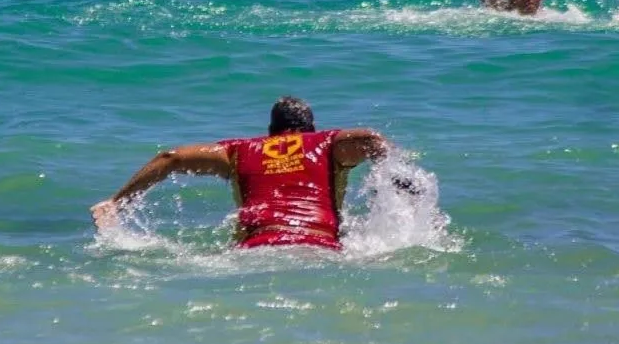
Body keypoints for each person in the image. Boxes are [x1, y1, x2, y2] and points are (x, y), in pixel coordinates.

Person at [90, 96, 394, 251]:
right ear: (311, 129)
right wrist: (393, 177)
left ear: (269, 131)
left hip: (254, 251)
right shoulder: (328, 144)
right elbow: (372, 140)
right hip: (319, 248)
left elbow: (170, 158)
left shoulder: (238, 151)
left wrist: (117, 201)